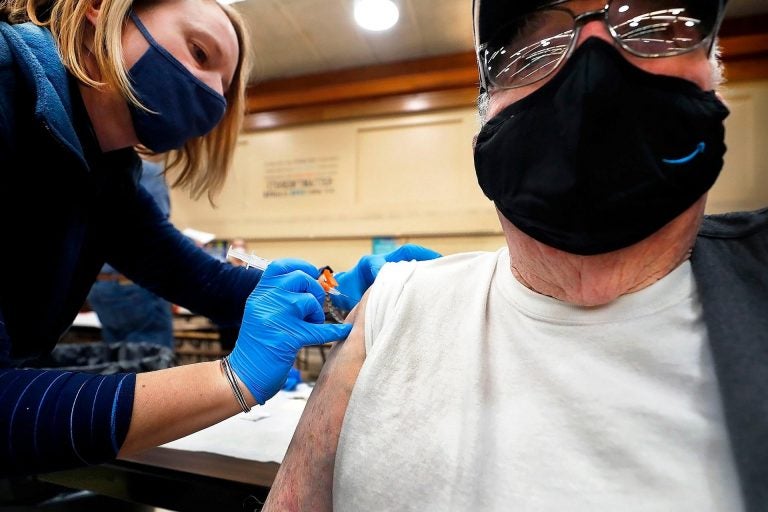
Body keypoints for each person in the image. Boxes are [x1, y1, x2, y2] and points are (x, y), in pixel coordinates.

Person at [264, 0, 768, 511]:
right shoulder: (396, 306)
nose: (593, 55)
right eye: (532, 52)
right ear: (484, 123)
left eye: (653, 27)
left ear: (714, 77)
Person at [0, 0, 439, 475]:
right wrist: (231, 379)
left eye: (224, 90)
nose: (211, 92)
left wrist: (333, 289)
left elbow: (201, 280)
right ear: (98, 8)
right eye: (200, 53)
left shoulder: (106, 178)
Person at [86, 157, 174, 348]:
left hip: (98, 285)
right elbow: (159, 235)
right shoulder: (148, 172)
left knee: (118, 358)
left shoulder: (90, 165)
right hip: (134, 285)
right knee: (152, 364)